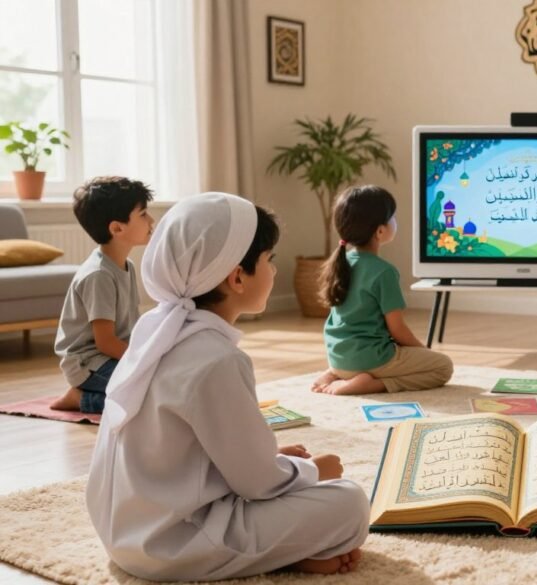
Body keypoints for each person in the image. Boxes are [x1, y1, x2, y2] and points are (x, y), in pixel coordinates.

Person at [86, 193, 369, 580]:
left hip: (122, 534)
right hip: (172, 546)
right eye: (269, 260)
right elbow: (258, 483)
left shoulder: (155, 333)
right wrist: (311, 470)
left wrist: (270, 457)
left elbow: (191, 451)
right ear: (237, 277)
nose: (274, 270)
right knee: (349, 501)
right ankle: (277, 555)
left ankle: (283, 551)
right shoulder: (216, 358)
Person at [311, 185, 453, 395]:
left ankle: (337, 373)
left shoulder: (340, 263)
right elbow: (398, 331)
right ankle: (372, 384)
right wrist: (422, 351)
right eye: (392, 217)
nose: (396, 221)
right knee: (443, 366)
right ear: (380, 231)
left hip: (338, 357)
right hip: (371, 358)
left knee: (400, 358)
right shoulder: (384, 272)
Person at [51, 176, 154, 413]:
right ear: (117, 228)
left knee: (162, 382)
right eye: (143, 214)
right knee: (152, 394)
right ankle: (80, 398)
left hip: (108, 356)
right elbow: (105, 342)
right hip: (88, 363)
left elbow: (126, 329)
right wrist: (143, 360)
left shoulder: (125, 265)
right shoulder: (99, 275)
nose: (151, 220)